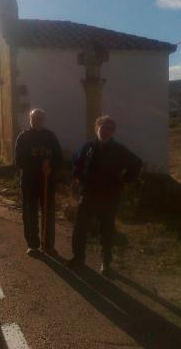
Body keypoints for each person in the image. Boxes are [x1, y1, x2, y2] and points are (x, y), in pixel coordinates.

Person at [68, 115, 142, 275]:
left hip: (110, 197)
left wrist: (124, 180)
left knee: (107, 230)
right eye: (103, 127)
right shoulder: (87, 147)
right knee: (80, 228)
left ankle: (106, 264)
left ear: (113, 131)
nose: (106, 131)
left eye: (109, 129)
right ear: (97, 128)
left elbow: (137, 163)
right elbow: (75, 162)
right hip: (88, 195)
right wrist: (80, 179)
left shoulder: (119, 149)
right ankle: (78, 258)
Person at [14, 109, 63, 256]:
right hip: (29, 182)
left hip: (47, 181)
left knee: (48, 213)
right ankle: (33, 245)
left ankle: (48, 245)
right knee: (30, 213)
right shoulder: (23, 137)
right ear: (30, 119)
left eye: (40, 118)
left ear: (44, 120)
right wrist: (39, 167)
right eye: (35, 118)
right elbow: (19, 160)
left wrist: (51, 166)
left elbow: (59, 157)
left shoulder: (50, 136)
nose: (37, 121)